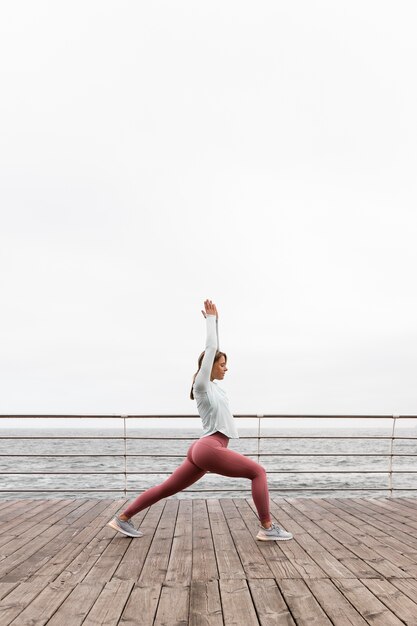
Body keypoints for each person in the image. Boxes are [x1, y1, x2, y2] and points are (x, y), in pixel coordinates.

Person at [108, 299, 293, 541]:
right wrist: (210, 321)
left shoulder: (214, 388)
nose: (226, 369)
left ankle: (122, 518)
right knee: (258, 472)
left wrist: (217, 322)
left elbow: (215, 349)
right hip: (209, 447)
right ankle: (267, 528)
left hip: (202, 448)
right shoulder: (202, 384)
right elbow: (211, 348)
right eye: (223, 365)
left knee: (167, 488)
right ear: (210, 366)